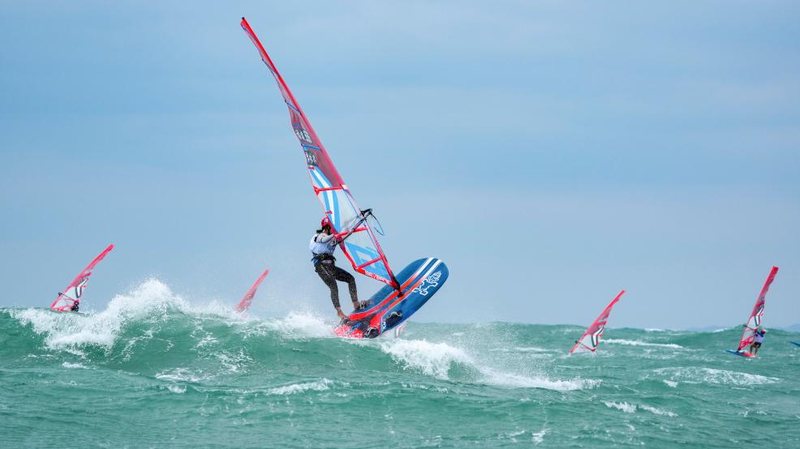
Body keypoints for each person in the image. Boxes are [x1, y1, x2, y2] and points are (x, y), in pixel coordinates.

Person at [310, 217, 364, 320]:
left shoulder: (334, 237)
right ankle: (339, 312)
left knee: (350, 278)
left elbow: (346, 228)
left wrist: (358, 219)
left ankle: (356, 303)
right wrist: (334, 235)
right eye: (332, 227)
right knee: (333, 285)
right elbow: (323, 239)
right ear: (327, 227)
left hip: (331, 266)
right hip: (321, 266)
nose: (335, 229)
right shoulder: (319, 236)